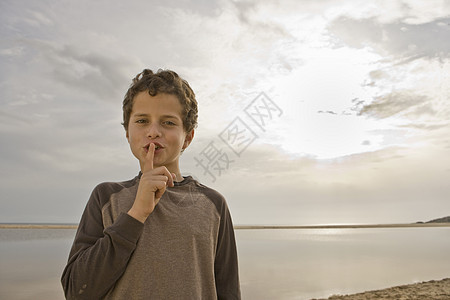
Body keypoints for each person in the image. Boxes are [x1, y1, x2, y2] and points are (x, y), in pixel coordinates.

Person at [61, 69, 241, 299]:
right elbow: (76, 291)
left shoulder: (213, 204)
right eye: (142, 121)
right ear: (127, 132)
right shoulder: (105, 197)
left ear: (188, 137)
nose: (153, 132)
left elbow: (229, 291)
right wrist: (136, 213)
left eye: (168, 122)